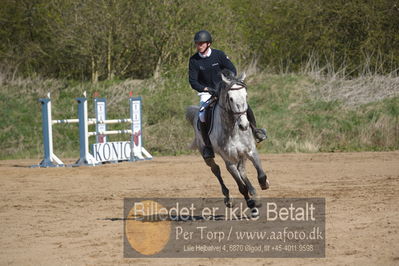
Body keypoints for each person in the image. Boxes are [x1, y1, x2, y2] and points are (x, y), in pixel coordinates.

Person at [188, 30, 267, 159]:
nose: (198, 46)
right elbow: (193, 81)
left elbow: (232, 69)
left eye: (201, 44)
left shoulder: (219, 55)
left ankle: (255, 130)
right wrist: (206, 88)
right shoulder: (194, 60)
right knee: (202, 115)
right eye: (197, 44)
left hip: (224, 89)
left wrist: (227, 83)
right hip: (207, 93)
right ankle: (208, 146)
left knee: (242, 106)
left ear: (208, 44)